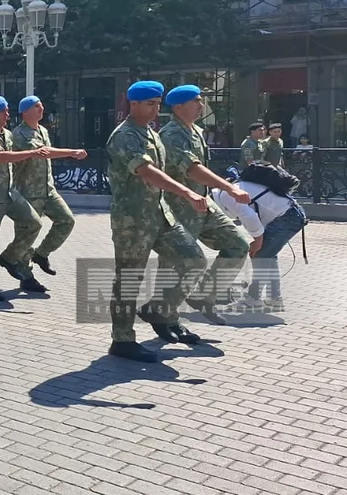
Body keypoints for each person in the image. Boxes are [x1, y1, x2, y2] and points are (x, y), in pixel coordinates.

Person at [105, 81, 210, 362]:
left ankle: (158, 310)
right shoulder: (125, 135)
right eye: (150, 104)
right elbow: (146, 171)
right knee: (129, 278)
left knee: (194, 260)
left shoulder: (151, 134)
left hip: (160, 215)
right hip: (132, 220)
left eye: (157, 104)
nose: (155, 109)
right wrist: (187, 192)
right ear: (134, 104)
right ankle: (122, 340)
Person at [158, 85, 253, 326]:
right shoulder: (172, 134)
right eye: (196, 101)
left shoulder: (196, 131)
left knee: (238, 244)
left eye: (201, 101)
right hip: (179, 206)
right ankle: (165, 317)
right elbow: (192, 169)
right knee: (177, 264)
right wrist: (230, 188)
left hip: (203, 203)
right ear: (178, 106)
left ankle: (203, 296)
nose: (201, 105)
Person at [0, 96, 49, 300]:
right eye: (2, 111)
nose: (7, 114)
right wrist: (31, 153)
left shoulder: (7, 134)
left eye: (7, 110)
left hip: (10, 192)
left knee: (33, 223)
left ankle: (10, 257)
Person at [12, 96, 87, 276]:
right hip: (28, 192)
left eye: (41, 105)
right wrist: (71, 152)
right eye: (36, 106)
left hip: (48, 189)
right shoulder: (19, 133)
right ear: (25, 111)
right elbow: (43, 153)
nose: (41, 109)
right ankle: (26, 275)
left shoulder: (43, 131)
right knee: (27, 234)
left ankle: (41, 254)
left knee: (66, 220)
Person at [212, 176, 306, 312]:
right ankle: (274, 299)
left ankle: (253, 299)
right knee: (268, 256)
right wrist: (258, 239)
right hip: (290, 214)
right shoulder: (228, 191)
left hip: (287, 217)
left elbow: (249, 216)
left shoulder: (226, 196)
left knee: (260, 255)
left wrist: (257, 241)